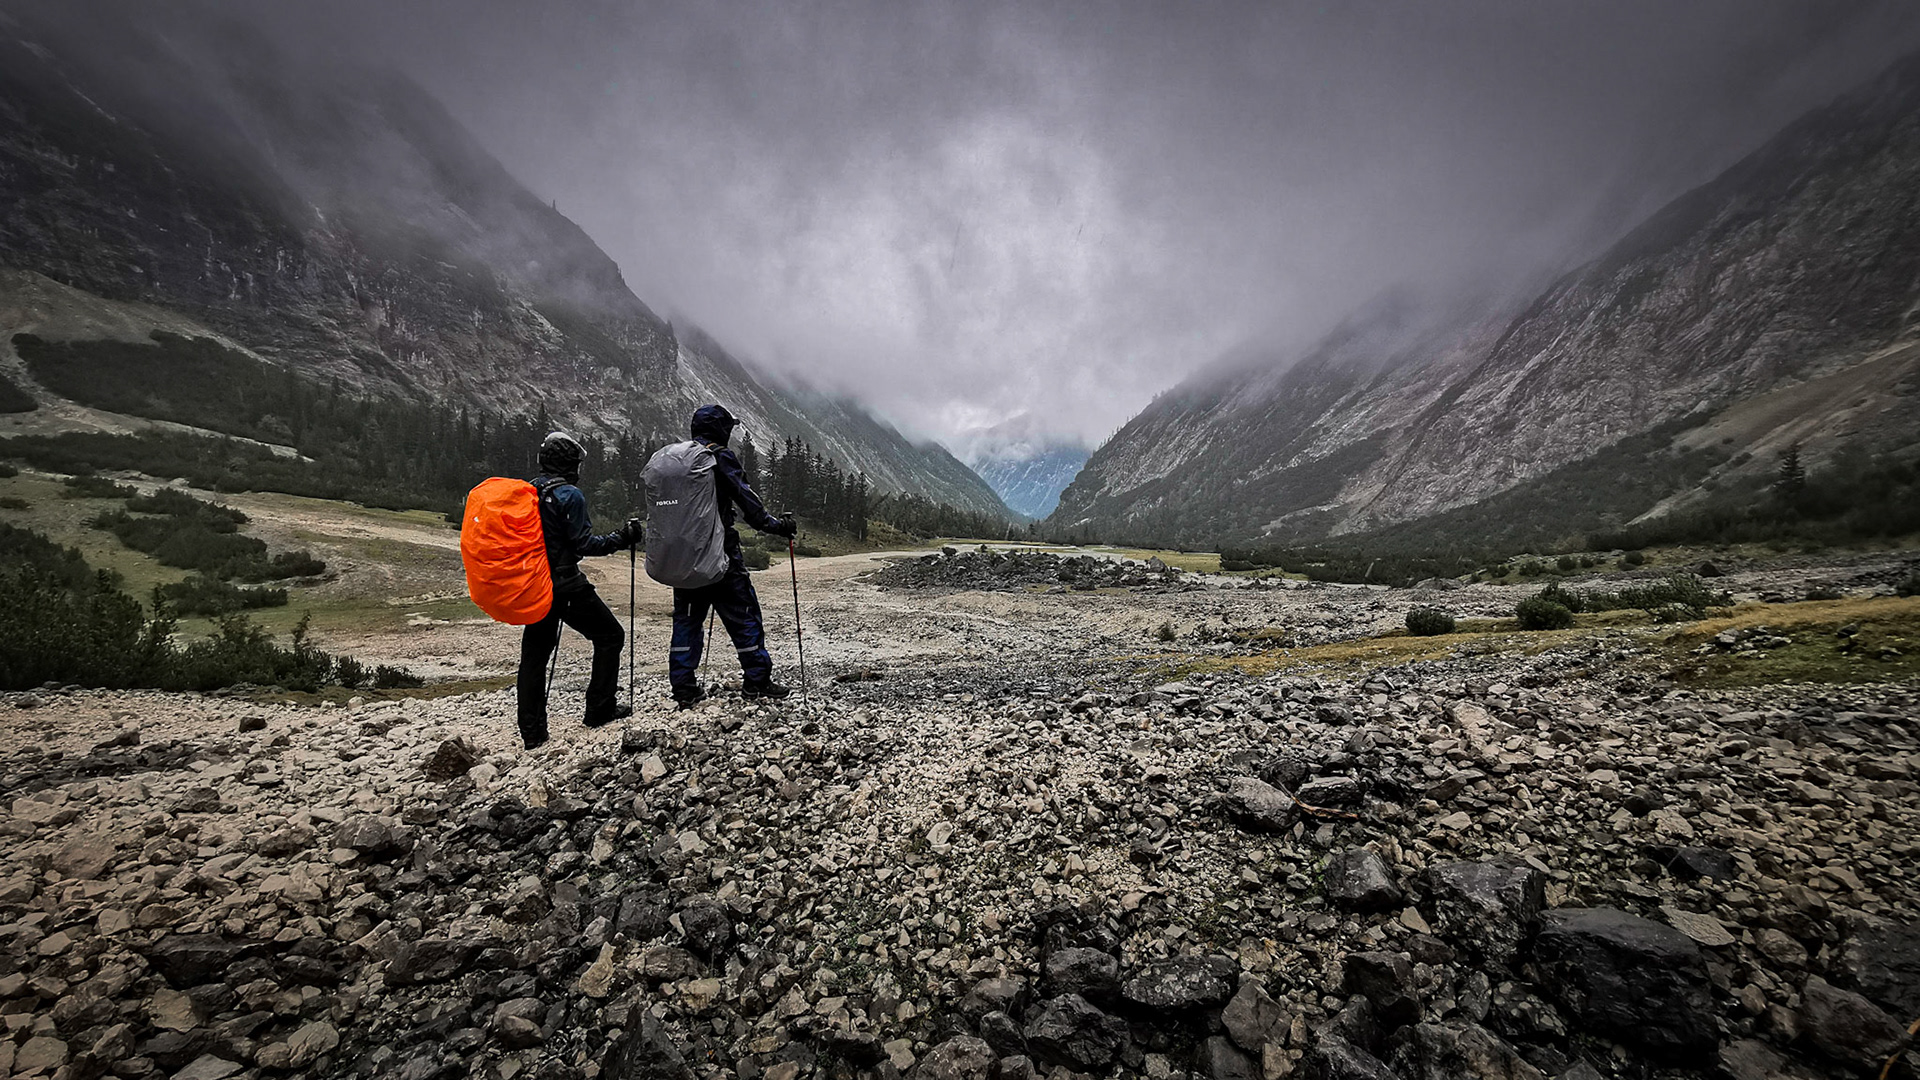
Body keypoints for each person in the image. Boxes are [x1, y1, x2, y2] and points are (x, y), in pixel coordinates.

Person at [518, 430, 641, 749]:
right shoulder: (569, 495)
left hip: (536, 583)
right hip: (566, 584)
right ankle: (599, 710)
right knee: (610, 636)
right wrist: (622, 537)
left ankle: (532, 733)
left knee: (534, 656)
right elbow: (584, 545)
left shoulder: (529, 490)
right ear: (570, 464)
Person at [669, 404, 797, 707]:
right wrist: (778, 527)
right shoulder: (720, 457)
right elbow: (748, 503)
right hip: (721, 557)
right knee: (744, 616)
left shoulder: (676, 461)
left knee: (687, 621)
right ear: (722, 430)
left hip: (685, 560)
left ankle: (684, 689)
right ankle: (756, 681)